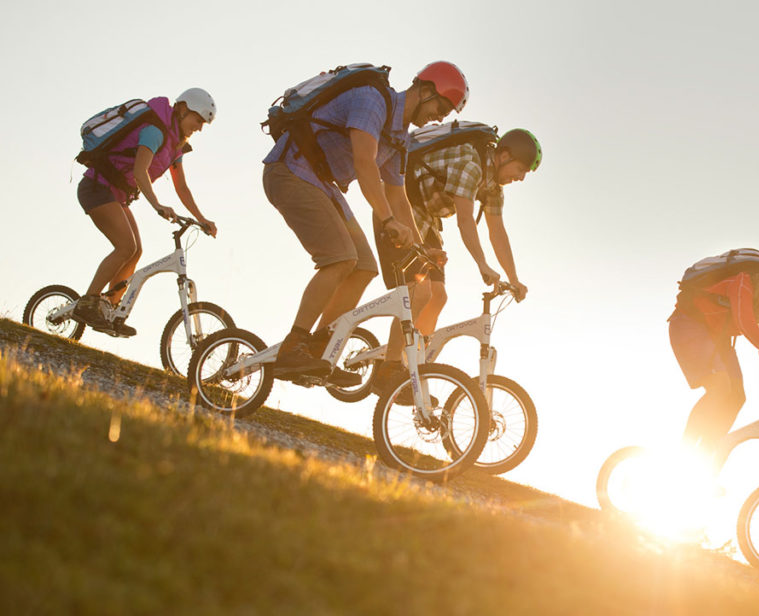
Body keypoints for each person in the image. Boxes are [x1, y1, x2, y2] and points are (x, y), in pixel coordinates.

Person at [262, 61, 468, 384]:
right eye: (440, 106)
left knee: (365, 266)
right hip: (290, 172)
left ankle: (316, 351)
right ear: (424, 89)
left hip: (320, 184)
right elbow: (363, 162)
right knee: (341, 258)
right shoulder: (372, 99)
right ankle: (294, 346)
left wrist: (423, 250)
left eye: (445, 113)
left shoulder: (400, 138)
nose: (439, 117)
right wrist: (386, 220)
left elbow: (399, 198)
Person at [371, 127, 541, 391]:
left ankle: (412, 370)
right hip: (402, 210)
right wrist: (482, 263)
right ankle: (389, 370)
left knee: (438, 297)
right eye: (520, 169)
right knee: (419, 292)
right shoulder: (471, 165)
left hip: (427, 221)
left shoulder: (493, 187)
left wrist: (514, 278)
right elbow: (464, 220)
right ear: (504, 155)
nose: (520, 177)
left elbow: (497, 231)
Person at [73, 89, 218, 335]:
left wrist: (202, 219)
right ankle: (89, 301)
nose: (200, 128)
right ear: (182, 109)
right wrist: (158, 205)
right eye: (198, 120)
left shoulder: (176, 147)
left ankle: (109, 308)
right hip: (97, 188)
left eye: (204, 124)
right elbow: (141, 172)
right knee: (125, 247)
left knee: (136, 250)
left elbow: (182, 187)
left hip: (115, 195)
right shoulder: (155, 131)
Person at [668, 245, 759, 469]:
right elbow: (747, 326)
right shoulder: (744, 282)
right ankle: (682, 454)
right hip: (689, 325)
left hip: (718, 339)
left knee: (737, 397)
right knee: (720, 388)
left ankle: (704, 460)